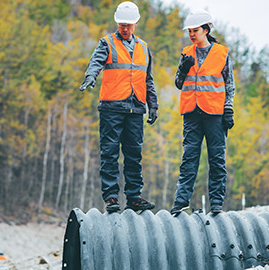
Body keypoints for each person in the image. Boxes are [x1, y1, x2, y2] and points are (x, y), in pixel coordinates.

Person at [79, 1, 158, 213]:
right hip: (111, 107)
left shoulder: (143, 47)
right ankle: (111, 198)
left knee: (134, 154)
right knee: (110, 154)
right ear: (117, 22)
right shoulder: (107, 43)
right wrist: (90, 77)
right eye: (122, 24)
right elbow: (96, 62)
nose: (125, 28)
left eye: (129, 25)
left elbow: (147, 79)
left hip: (135, 107)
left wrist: (153, 105)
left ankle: (133, 197)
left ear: (135, 24)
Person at [170, 9, 235, 216]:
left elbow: (229, 85)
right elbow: (179, 83)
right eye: (189, 31)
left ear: (205, 30)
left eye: (195, 30)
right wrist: (182, 68)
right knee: (189, 160)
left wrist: (228, 110)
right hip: (191, 114)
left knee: (217, 160)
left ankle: (216, 203)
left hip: (215, 115)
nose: (191, 34)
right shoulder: (186, 53)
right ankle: (180, 203)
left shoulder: (221, 53)